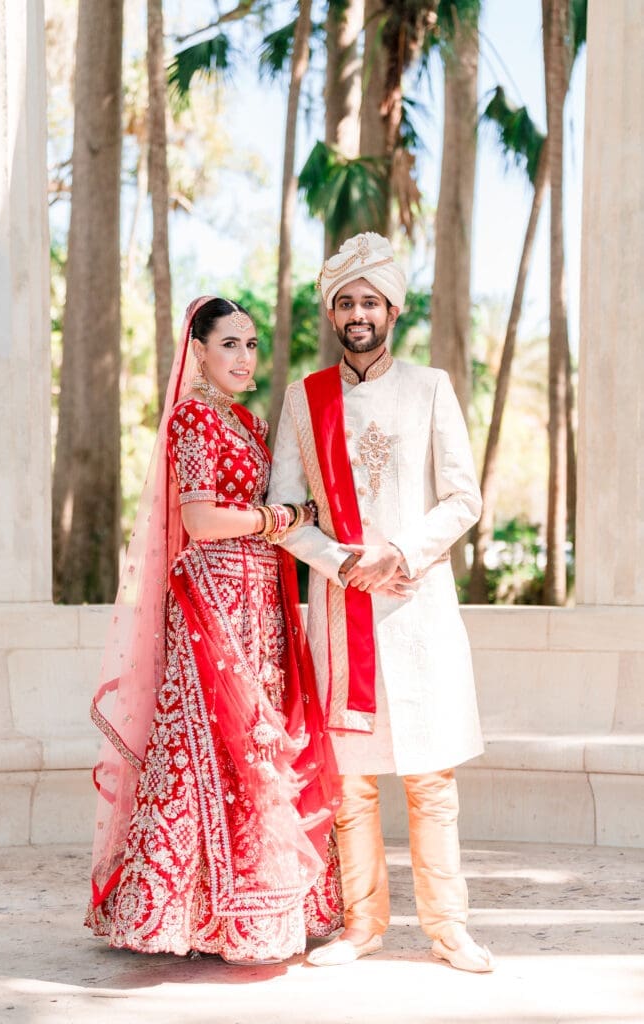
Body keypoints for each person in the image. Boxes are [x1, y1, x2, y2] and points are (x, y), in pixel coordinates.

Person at [85, 296, 342, 964]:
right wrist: (277, 517)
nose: (244, 356)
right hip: (212, 603)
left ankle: (254, 910)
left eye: (252, 344)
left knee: (257, 746)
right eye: (229, 343)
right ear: (197, 349)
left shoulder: (250, 425)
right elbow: (199, 521)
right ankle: (181, 913)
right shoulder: (193, 418)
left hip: (260, 606)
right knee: (210, 748)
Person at [267, 233, 493, 972]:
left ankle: (448, 927)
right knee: (353, 783)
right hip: (341, 610)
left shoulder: (429, 387)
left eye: (369, 300)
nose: (357, 313)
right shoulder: (306, 399)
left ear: (391, 308)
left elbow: (463, 498)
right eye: (344, 302)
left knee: (430, 777)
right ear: (330, 314)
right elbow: (283, 509)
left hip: (416, 605)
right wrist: (340, 564)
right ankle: (362, 926)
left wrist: (399, 553)